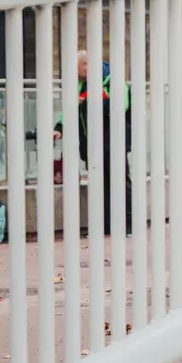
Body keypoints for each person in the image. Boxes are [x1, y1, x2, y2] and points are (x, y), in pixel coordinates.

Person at [53, 50, 133, 236]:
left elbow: (123, 105)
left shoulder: (113, 80)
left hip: (114, 143)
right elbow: (70, 109)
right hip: (92, 145)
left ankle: (127, 224)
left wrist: (94, 100)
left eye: (77, 67)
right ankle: (105, 226)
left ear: (87, 64)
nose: (74, 72)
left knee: (120, 183)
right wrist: (59, 127)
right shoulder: (81, 85)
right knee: (100, 185)